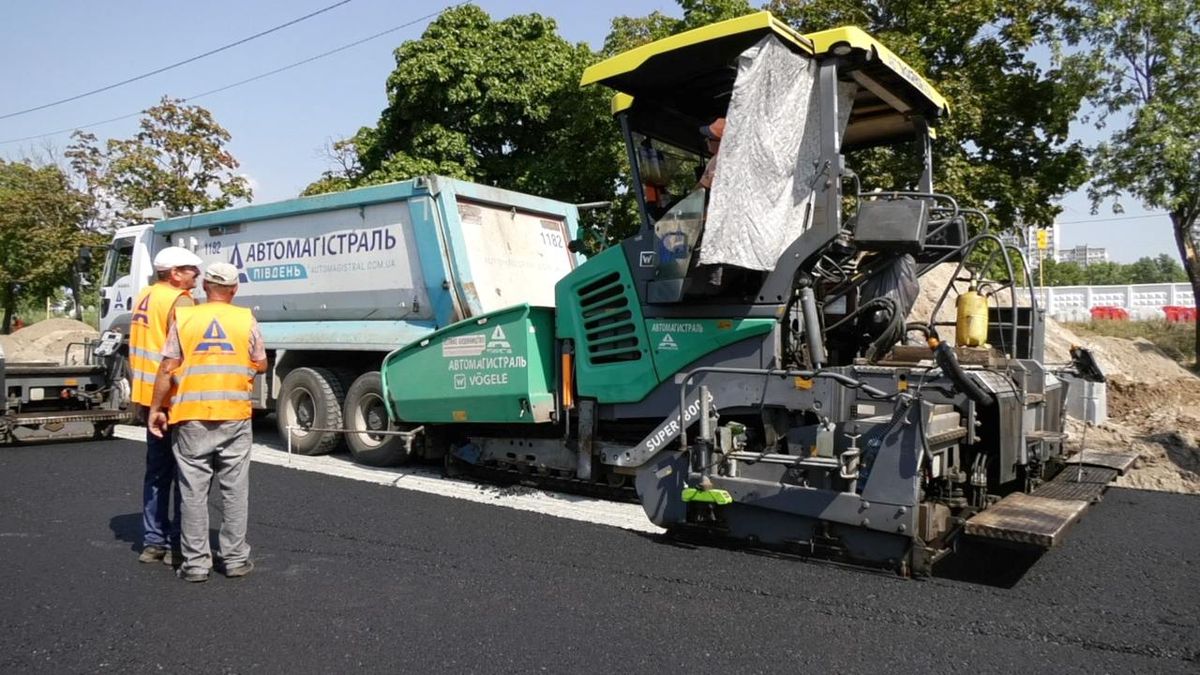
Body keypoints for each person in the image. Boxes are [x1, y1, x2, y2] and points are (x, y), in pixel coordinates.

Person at [148, 262, 267, 583]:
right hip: (234, 416)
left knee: (193, 492)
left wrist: (156, 408)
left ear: (204, 287)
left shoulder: (185, 318)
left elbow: (167, 367)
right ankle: (235, 559)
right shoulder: (245, 319)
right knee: (235, 491)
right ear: (234, 289)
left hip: (191, 417)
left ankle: (196, 565)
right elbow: (261, 363)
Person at [128, 246, 203, 565]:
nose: (197, 275)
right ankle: (179, 543)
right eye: (191, 270)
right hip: (172, 399)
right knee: (187, 474)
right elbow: (184, 351)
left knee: (157, 473)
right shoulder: (180, 301)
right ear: (174, 273)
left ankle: (153, 541)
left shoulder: (145, 295)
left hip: (148, 397)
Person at [698, 117, 725, 190]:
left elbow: (700, 188)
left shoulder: (717, 160)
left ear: (720, 141)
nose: (706, 140)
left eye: (709, 138)